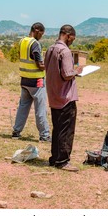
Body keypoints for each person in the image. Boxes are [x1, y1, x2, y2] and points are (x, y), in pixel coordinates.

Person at [44, 25, 84, 172]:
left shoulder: (50, 49)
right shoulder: (65, 51)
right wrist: (77, 71)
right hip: (66, 97)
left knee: (57, 129)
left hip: (53, 95)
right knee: (66, 130)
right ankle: (63, 161)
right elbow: (67, 74)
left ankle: (54, 158)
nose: (72, 41)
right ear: (67, 35)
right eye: (72, 38)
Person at [11, 22, 51, 142]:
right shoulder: (35, 44)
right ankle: (44, 135)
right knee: (40, 109)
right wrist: (50, 65)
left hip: (24, 80)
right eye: (41, 34)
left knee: (23, 107)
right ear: (37, 30)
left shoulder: (22, 41)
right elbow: (40, 65)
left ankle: (16, 132)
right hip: (37, 81)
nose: (41, 37)